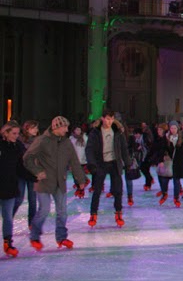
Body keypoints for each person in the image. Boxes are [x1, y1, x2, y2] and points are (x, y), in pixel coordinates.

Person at [22, 116, 87, 251]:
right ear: (57, 127)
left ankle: (61, 237)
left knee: (62, 212)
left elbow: (74, 162)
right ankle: (34, 236)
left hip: (60, 181)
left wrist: (81, 180)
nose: (67, 130)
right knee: (44, 210)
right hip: (44, 182)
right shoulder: (42, 141)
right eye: (65, 127)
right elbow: (27, 157)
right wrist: (37, 171)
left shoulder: (67, 143)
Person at [85, 110, 131, 229]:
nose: (109, 121)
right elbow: (89, 149)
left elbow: (124, 148)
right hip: (101, 163)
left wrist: (127, 162)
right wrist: (92, 163)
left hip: (114, 163)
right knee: (97, 190)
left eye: (111, 119)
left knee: (118, 190)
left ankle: (118, 213)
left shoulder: (117, 131)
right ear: (102, 118)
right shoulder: (95, 132)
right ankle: (93, 214)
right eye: (107, 118)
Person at [1, 121, 33, 257]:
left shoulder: (18, 146)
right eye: (13, 133)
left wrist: (34, 177)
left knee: (8, 216)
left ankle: (7, 243)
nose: (16, 136)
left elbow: (21, 167)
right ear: (5, 133)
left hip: (9, 186)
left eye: (17, 133)